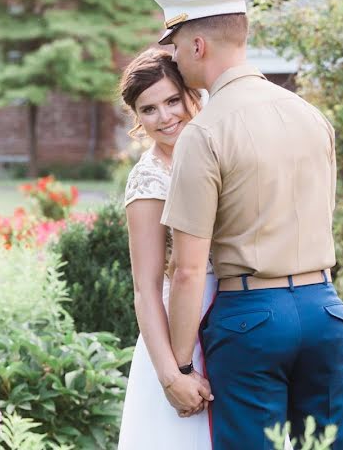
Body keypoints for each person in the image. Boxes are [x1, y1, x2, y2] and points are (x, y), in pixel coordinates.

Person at [152, 0, 343, 449]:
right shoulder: (311, 115)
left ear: (197, 46)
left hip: (251, 318)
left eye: (176, 45)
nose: (175, 58)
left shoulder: (204, 132)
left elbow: (187, 270)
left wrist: (181, 368)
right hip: (323, 306)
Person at [116, 48, 214, 450]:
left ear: (192, 94)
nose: (165, 116)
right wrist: (172, 374)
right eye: (149, 109)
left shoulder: (218, 151)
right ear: (137, 118)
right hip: (181, 331)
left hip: (240, 315)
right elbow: (146, 289)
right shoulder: (149, 180)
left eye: (172, 100)